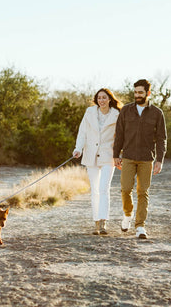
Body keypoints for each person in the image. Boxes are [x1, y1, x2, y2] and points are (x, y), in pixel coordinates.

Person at [113, 79, 167, 239]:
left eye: (140, 93)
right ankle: (128, 214)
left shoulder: (157, 113)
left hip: (146, 159)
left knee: (143, 192)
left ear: (148, 93)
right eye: (135, 92)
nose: (137, 95)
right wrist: (116, 155)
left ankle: (140, 226)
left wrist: (159, 160)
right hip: (128, 156)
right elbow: (119, 134)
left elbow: (161, 138)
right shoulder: (126, 111)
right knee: (125, 189)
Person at [73, 88, 122, 235]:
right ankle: (96, 221)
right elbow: (82, 132)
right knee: (94, 190)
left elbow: (120, 136)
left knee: (103, 189)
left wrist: (120, 154)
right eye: (99, 98)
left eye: (104, 98)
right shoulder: (89, 112)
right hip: (91, 154)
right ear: (96, 99)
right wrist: (78, 149)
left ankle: (103, 223)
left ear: (109, 99)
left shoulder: (116, 114)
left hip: (108, 155)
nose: (101, 100)